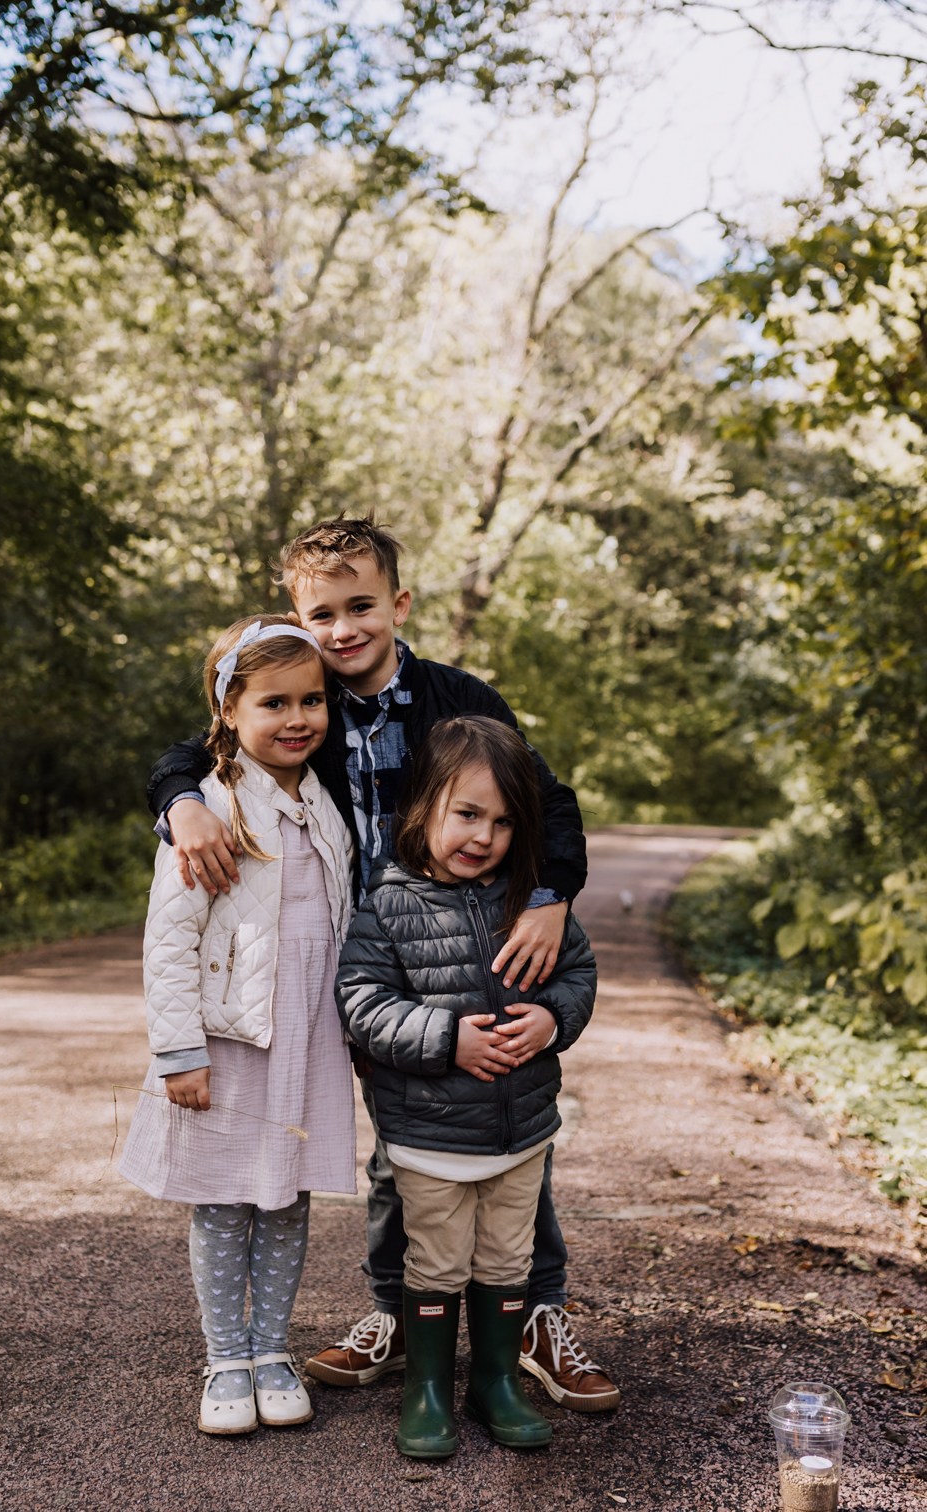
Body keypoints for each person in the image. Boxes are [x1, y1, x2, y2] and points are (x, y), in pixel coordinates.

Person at [145, 514, 620, 1412]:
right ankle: (401, 1310)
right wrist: (181, 803)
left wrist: (552, 898)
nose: (343, 628)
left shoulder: (456, 698)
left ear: (398, 603)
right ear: (297, 617)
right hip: (368, 961)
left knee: (512, 1129)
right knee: (402, 1142)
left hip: (471, 942)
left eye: (361, 605)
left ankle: (535, 1314)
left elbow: (542, 798)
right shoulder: (302, 705)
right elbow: (199, 746)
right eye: (321, 612)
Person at [119, 614, 357, 1436]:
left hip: (307, 1038)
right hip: (226, 1042)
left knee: (286, 1198)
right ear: (230, 713)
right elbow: (171, 938)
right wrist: (178, 1051)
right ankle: (225, 1357)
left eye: (313, 700)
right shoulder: (211, 808)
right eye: (275, 703)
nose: (298, 719)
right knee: (223, 1200)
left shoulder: (325, 801)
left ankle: (271, 1350)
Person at [335, 716, 598, 1457]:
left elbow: (578, 974)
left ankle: (494, 1381)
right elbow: (361, 1002)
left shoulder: (531, 900)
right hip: (430, 1136)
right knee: (438, 1262)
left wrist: (552, 1020)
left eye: (505, 821)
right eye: (468, 814)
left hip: (520, 1131)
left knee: (508, 1261)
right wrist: (448, 1037)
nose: (483, 836)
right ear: (425, 808)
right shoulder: (389, 903)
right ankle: (425, 1391)